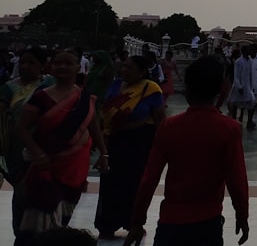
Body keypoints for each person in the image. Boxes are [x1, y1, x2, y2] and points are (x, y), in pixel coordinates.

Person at [125, 57, 250, 246]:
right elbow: (237, 180)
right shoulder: (229, 129)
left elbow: (149, 178)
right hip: (208, 222)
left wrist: (137, 221)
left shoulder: (169, 127)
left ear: (187, 90)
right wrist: (242, 215)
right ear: (220, 90)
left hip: (171, 222)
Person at [14, 51, 109, 245]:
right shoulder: (41, 98)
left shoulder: (85, 98)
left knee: (62, 217)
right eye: (58, 63)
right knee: (39, 221)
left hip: (74, 168)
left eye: (68, 63)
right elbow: (21, 129)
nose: (62, 67)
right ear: (51, 67)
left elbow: (94, 127)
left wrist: (103, 153)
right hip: (45, 167)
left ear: (78, 67)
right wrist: (38, 153)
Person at [95, 54, 166, 239]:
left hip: (139, 143)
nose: (123, 70)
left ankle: (133, 223)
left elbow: (159, 119)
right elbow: (106, 110)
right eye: (123, 66)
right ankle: (107, 224)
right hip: (114, 141)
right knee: (110, 182)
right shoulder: (116, 85)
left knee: (134, 184)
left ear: (142, 72)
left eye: (129, 68)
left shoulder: (151, 89)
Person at [0, 48, 54, 240]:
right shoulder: (8, 87)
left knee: (41, 193)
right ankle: (22, 235)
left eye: (31, 63)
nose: (25, 66)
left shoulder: (49, 85)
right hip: (15, 149)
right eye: (22, 62)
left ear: (42, 65)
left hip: (44, 148)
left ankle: (40, 236)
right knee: (21, 191)